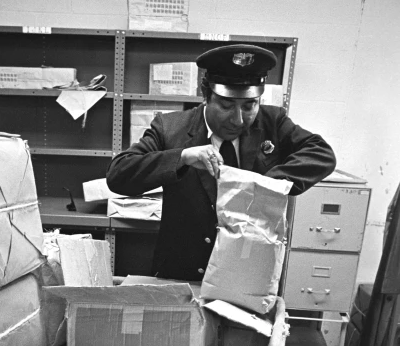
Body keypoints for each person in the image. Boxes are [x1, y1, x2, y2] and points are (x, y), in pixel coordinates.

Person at [106, 43, 337, 282]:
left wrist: (264, 185)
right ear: (206, 96)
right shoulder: (171, 128)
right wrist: (182, 157)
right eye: (227, 106)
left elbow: (322, 154)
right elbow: (119, 174)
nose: (238, 119)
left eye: (250, 105)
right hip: (183, 271)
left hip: (249, 272)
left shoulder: (273, 122)